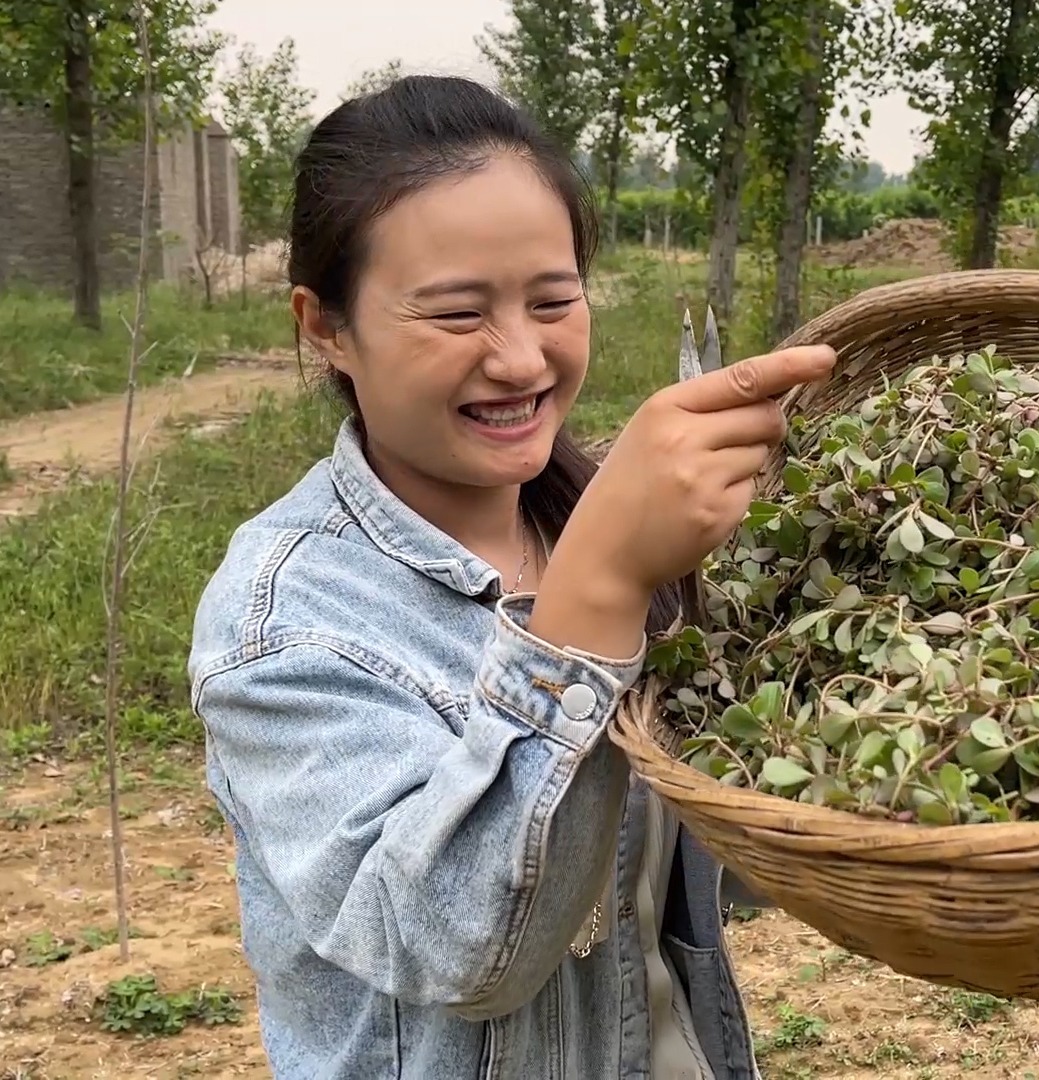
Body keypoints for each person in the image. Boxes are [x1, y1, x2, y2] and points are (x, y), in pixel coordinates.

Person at [187, 74, 835, 1080]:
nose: (521, 357)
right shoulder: (284, 623)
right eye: (455, 313)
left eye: (553, 299)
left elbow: (706, 861)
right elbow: (461, 950)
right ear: (326, 326)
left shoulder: (599, 518)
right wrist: (605, 585)